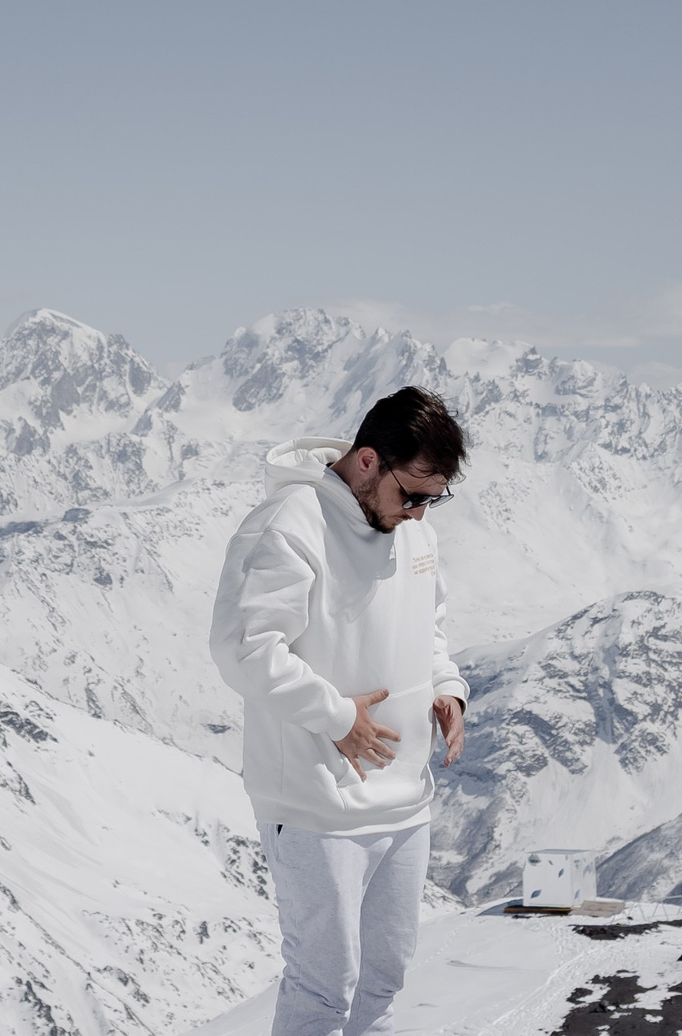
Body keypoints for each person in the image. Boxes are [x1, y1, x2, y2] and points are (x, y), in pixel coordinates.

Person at [209, 386, 472, 1036]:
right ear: (365, 461)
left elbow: (428, 625)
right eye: (411, 492)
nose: (418, 511)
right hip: (315, 802)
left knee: (383, 984)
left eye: (432, 499)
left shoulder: (413, 531)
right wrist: (336, 715)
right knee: (324, 992)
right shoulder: (292, 521)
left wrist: (447, 687)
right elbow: (244, 647)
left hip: (406, 800)